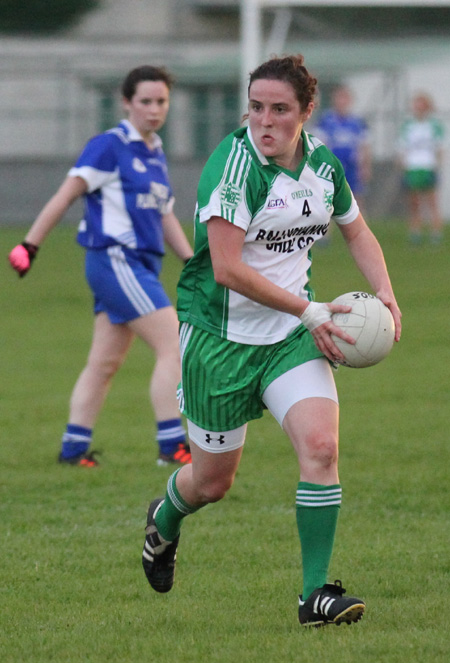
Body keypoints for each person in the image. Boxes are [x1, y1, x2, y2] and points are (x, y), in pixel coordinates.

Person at [141, 55, 402, 627]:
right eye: (255, 107)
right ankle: (164, 520)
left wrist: (384, 292)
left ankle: (315, 597)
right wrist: (311, 310)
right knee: (212, 483)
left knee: (321, 450)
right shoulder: (233, 167)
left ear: (306, 112)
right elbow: (229, 269)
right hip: (219, 341)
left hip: (290, 338)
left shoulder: (324, 167)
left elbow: (356, 231)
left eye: (280, 109)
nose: (265, 120)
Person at [8, 65, 193, 467]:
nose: (154, 109)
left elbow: (164, 216)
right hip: (114, 259)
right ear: (126, 103)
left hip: (139, 265)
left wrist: (192, 262)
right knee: (174, 343)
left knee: (104, 362)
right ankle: (172, 445)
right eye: (145, 101)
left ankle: (73, 449)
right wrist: (30, 245)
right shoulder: (108, 146)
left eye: (161, 101)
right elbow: (65, 195)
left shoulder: (155, 151)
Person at [315, 85, 371, 214]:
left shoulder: (357, 122)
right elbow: (319, 144)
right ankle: (325, 232)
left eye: (345, 98)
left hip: (352, 165)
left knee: (356, 197)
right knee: (328, 198)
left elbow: (364, 145)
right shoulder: (325, 121)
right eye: (339, 98)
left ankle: (360, 229)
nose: (342, 102)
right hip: (332, 166)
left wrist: (365, 167)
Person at [397, 93, 444, 245]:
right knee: (414, 202)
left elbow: (440, 148)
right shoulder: (408, 125)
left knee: (432, 201)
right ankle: (415, 231)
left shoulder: (434, 125)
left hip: (428, 166)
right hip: (413, 167)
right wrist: (403, 166)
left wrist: (437, 166)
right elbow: (402, 148)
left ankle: (435, 232)